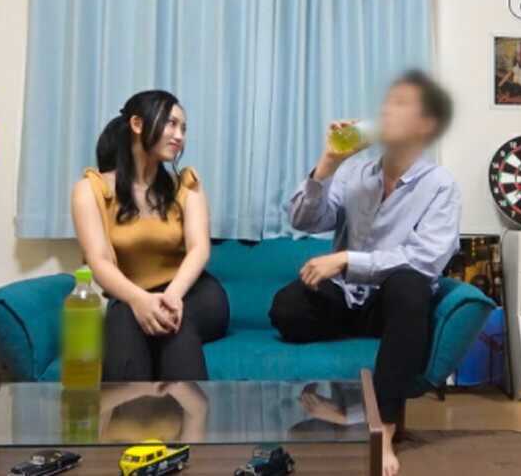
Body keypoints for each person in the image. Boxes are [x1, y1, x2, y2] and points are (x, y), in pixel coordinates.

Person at [269, 70, 460, 476]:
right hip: (347, 297)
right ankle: (352, 412)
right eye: (387, 103)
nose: (386, 110)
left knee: (411, 287)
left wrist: (347, 259)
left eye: (401, 104)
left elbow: (425, 259)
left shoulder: (440, 185)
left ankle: (383, 429)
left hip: (391, 303)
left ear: (425, 125)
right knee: (288, 307)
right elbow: (304, 220)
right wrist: (327, 165)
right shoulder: (354, 172)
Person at [71, 90, 229, 382]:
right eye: (171, 124)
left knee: (175, 320)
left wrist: (172, 296)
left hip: (193, 293)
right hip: (130, 295)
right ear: (137, 124)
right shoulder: (91, 190)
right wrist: (139, 300)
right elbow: (98, 259)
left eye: (184, 128)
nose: (179, 136)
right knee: (124, 321)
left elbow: (199, 249)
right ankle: (135, 414)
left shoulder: (186, 186)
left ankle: (188, 416)